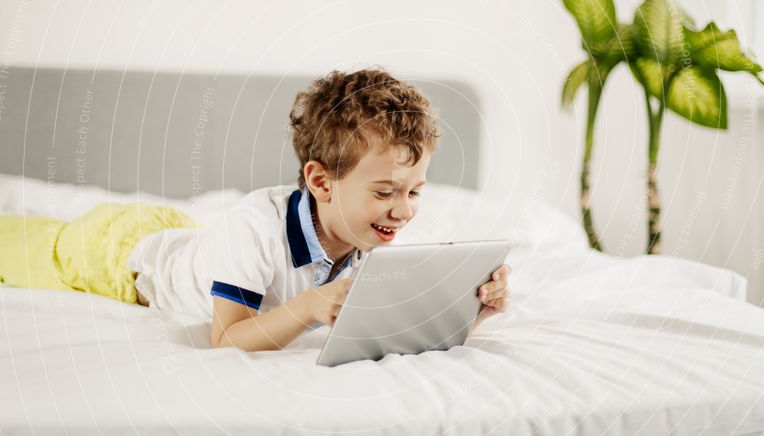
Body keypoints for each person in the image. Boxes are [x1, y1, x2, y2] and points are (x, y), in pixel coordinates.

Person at [0, 69, 512, 352]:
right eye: (385, 192)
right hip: (115, 256)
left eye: (415, 191)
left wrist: (472, 310)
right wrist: (310, 307)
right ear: (320, 182)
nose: (402, 211)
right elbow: (226, 338)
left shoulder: (365, 240)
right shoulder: (257, 226)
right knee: (20, 245)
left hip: (184, 236)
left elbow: (393, 332)